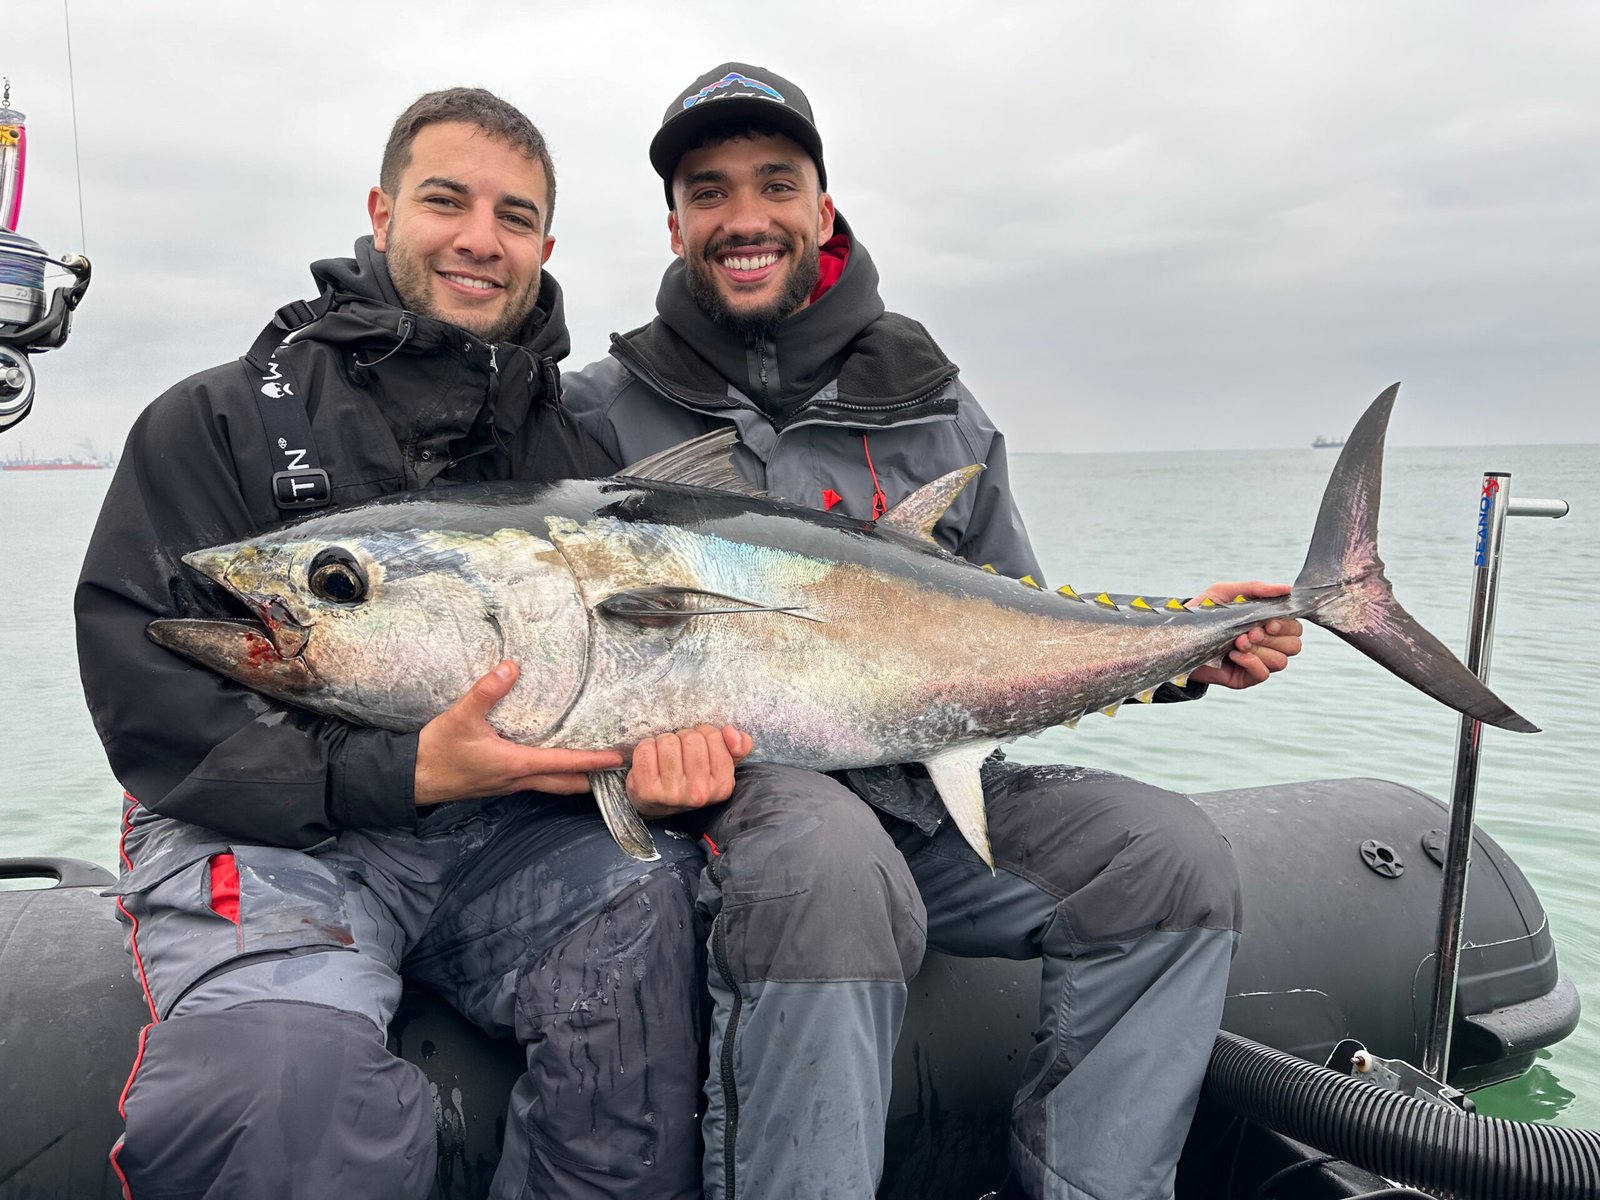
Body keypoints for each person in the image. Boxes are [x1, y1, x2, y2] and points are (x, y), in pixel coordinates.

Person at [562, 63, 1305, 1200]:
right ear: (674, 223)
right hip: (735, 806)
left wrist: (1187, 655)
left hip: (929, 787)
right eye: (709, 192)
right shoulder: (595, 413)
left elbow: (1021, 636)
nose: (744, 217)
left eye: (775, 183)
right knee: (827, 859)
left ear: (823, 205)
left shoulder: (937, 406)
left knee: (1168, 858)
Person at [74, 88, 750, 1200]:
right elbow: (145, 689)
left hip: (508, 839)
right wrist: (402, 769)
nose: (480, 238)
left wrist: (662, 767)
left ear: (544, 244)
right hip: (278, 835)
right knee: (278, 1079)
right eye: (448, 200)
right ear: (382, 209)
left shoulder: (578, 451)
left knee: (648, 978)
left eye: (515, 216)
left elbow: (631, 676)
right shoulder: (217, 420)